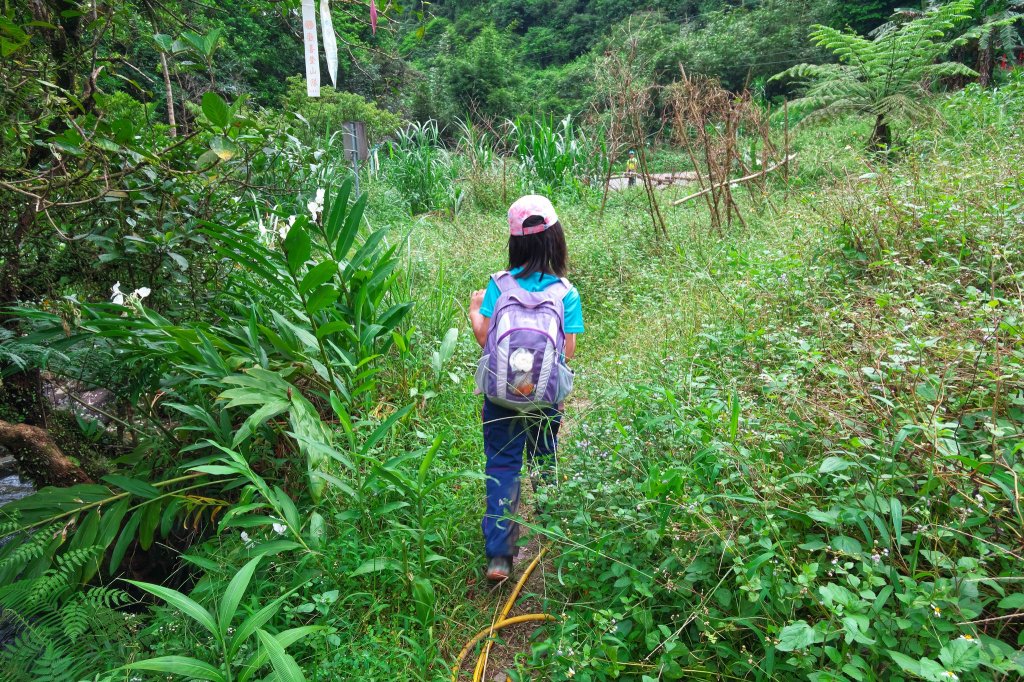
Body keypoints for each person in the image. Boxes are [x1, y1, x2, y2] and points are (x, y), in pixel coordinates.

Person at [468, 195, 585, 581]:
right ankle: (550, 530)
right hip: (543, 398)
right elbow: (566, 350)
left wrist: (474, 312)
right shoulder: (566, 292)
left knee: (502, 465)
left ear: (514, 242)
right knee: (542, 459)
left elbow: (487, 339)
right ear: (556, 240)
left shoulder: (498, 285)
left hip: (500, 396)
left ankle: (499, 557)